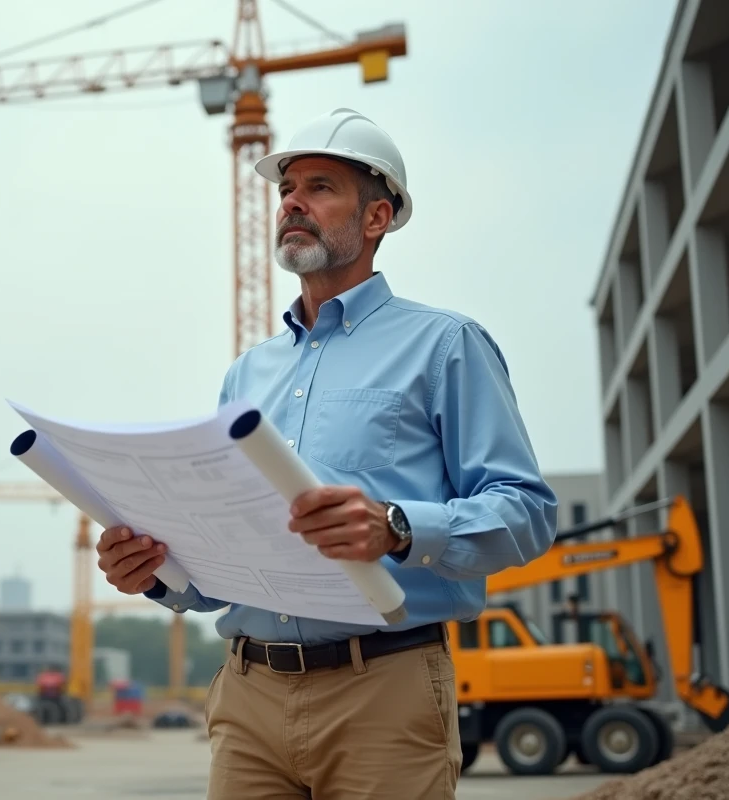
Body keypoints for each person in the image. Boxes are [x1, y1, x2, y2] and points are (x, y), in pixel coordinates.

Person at [94, 108, 559, 799]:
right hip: (249, 697)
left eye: (319, 187)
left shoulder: (445, 346)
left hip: (384, 691)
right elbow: (229, 563)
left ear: (377, 217)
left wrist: (398, 528)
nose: (292, 203)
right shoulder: (247, 375)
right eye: (287, 190)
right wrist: (156, 572)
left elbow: (526, 513)